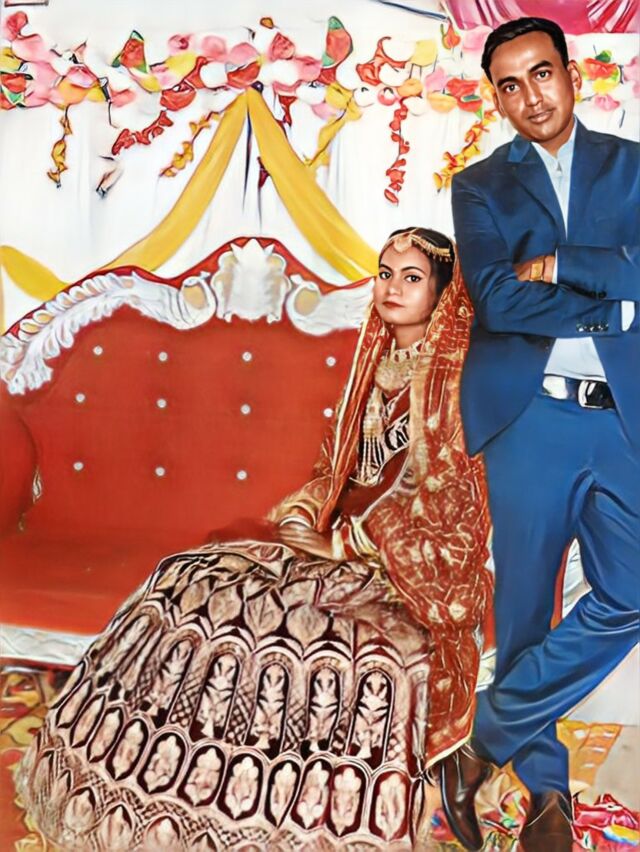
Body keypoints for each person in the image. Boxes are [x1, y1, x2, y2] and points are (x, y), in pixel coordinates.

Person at [17, 228, 492, 850]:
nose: (392, 288)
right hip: (334, 539)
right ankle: (170, 798)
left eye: (412, 278)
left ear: (442, 293)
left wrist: (347, 546)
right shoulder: (371, 365)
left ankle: (297, 819)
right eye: (384, 273)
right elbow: (333, 469)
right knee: (188, 585)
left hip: (405, 565)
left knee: (297, 635)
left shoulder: (455, 383)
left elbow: (453, 502)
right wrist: (305, 515)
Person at [442, 16, 640, 852]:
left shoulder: (634, 166)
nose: (530, 95)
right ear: (497, 99)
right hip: (529, 418)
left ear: (572, 75)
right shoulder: (479, 184)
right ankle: (547, 799)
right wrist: (616, 302)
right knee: (524, 605)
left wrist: (563, 265)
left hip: (622, 416)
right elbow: (497, 300)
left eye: (542, 73)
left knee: (631, 591)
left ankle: (480, 740)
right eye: (510, 85)